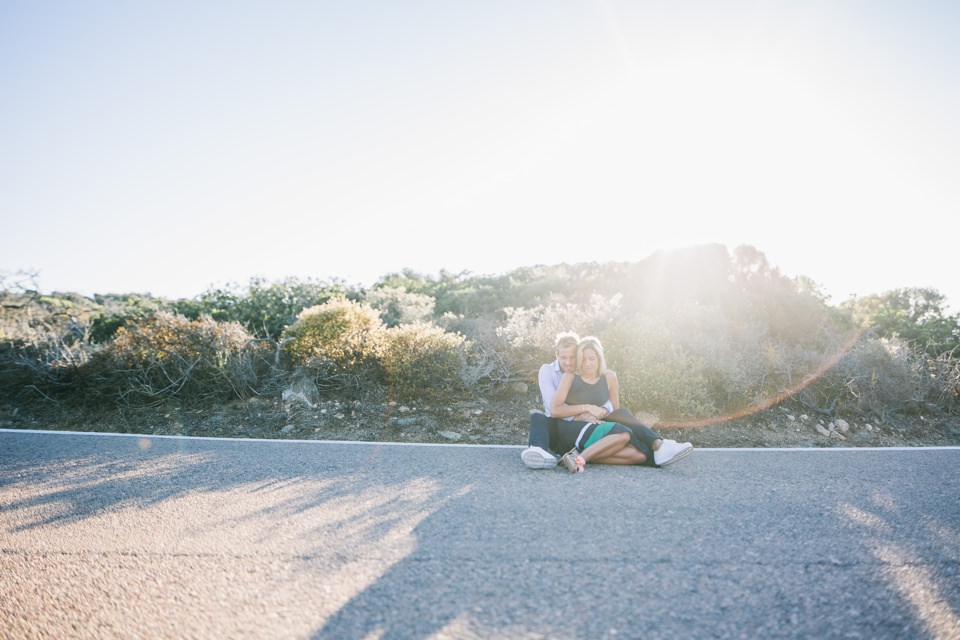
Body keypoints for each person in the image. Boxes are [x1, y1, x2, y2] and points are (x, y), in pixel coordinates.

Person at [550, 335, 693, 473]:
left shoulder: (609, 377)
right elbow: (555, 410)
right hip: (573, 429)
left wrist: (600, 412)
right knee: (624, 434)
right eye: (583, 359)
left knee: (640, 456)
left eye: (592, 359)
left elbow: (615, 411)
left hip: (597, 425)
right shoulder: (570, 377)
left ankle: (578, 455)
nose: (588, 364)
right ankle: (657, 444)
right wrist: (585, 409)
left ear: (600, 359)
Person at [521, 332, 610, 468]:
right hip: (557, 422)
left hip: (581, 425)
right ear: (557, 355)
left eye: (572, 357)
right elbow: (553, 408)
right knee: (538, 417)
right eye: (563, 357)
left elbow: (604, 396)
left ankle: (571, 452)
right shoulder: (547, 371)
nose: (568, 362)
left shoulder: (585, 370)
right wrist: (582, 414)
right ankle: (538, 451)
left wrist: (601, 410)